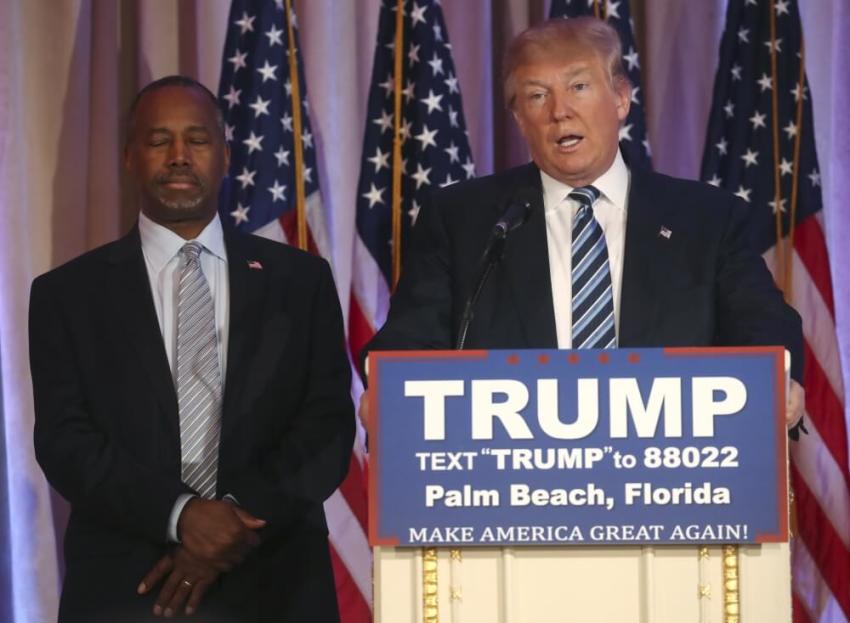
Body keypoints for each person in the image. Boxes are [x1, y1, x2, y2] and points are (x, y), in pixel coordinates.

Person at [363, 17, 805, 426]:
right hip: (514, 491)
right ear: (520, 118)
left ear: (620, 98)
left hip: (667, 487)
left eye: (578, 86)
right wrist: (382, 387)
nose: (560, 111)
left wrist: (780, 375)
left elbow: (762, 322)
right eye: (537, 95)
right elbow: (408, 341)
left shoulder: (707, 219)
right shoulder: (463, 220)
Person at [29, 75, 353, 622]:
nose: (179, 156)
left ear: (226, 155)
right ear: (130, 157)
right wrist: (181, 516)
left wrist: (227, 524)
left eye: (197, 140)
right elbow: (65, 440)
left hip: (276, 581)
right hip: (127, 588)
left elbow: (326, 428)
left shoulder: (301, 282)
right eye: (159, 140)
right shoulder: (68, 294)